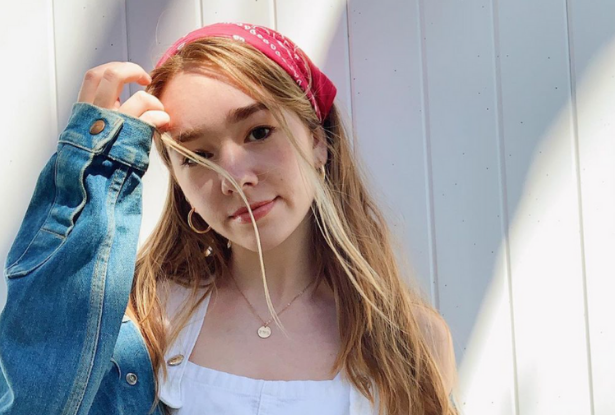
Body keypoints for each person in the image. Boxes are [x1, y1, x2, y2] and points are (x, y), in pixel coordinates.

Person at [0, 22, 457, 415]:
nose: (235, 178)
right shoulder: (138, 320)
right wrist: (92, 172)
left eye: (259, 132)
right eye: (199, 155)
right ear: (178, 182)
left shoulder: (408, 340)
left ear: (318, 141)